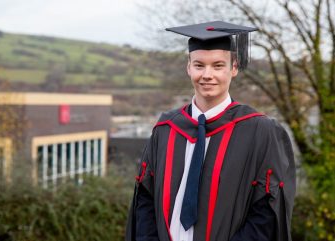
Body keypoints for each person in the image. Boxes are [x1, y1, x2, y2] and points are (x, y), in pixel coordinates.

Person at [126, 21, 296, 241]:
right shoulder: (166, 128)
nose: (207, 75)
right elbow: (145, 201)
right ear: (188, 67)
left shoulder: (259, 131)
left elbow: (266, 213)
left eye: (217, 66)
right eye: (199, 65)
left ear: (234, 68)